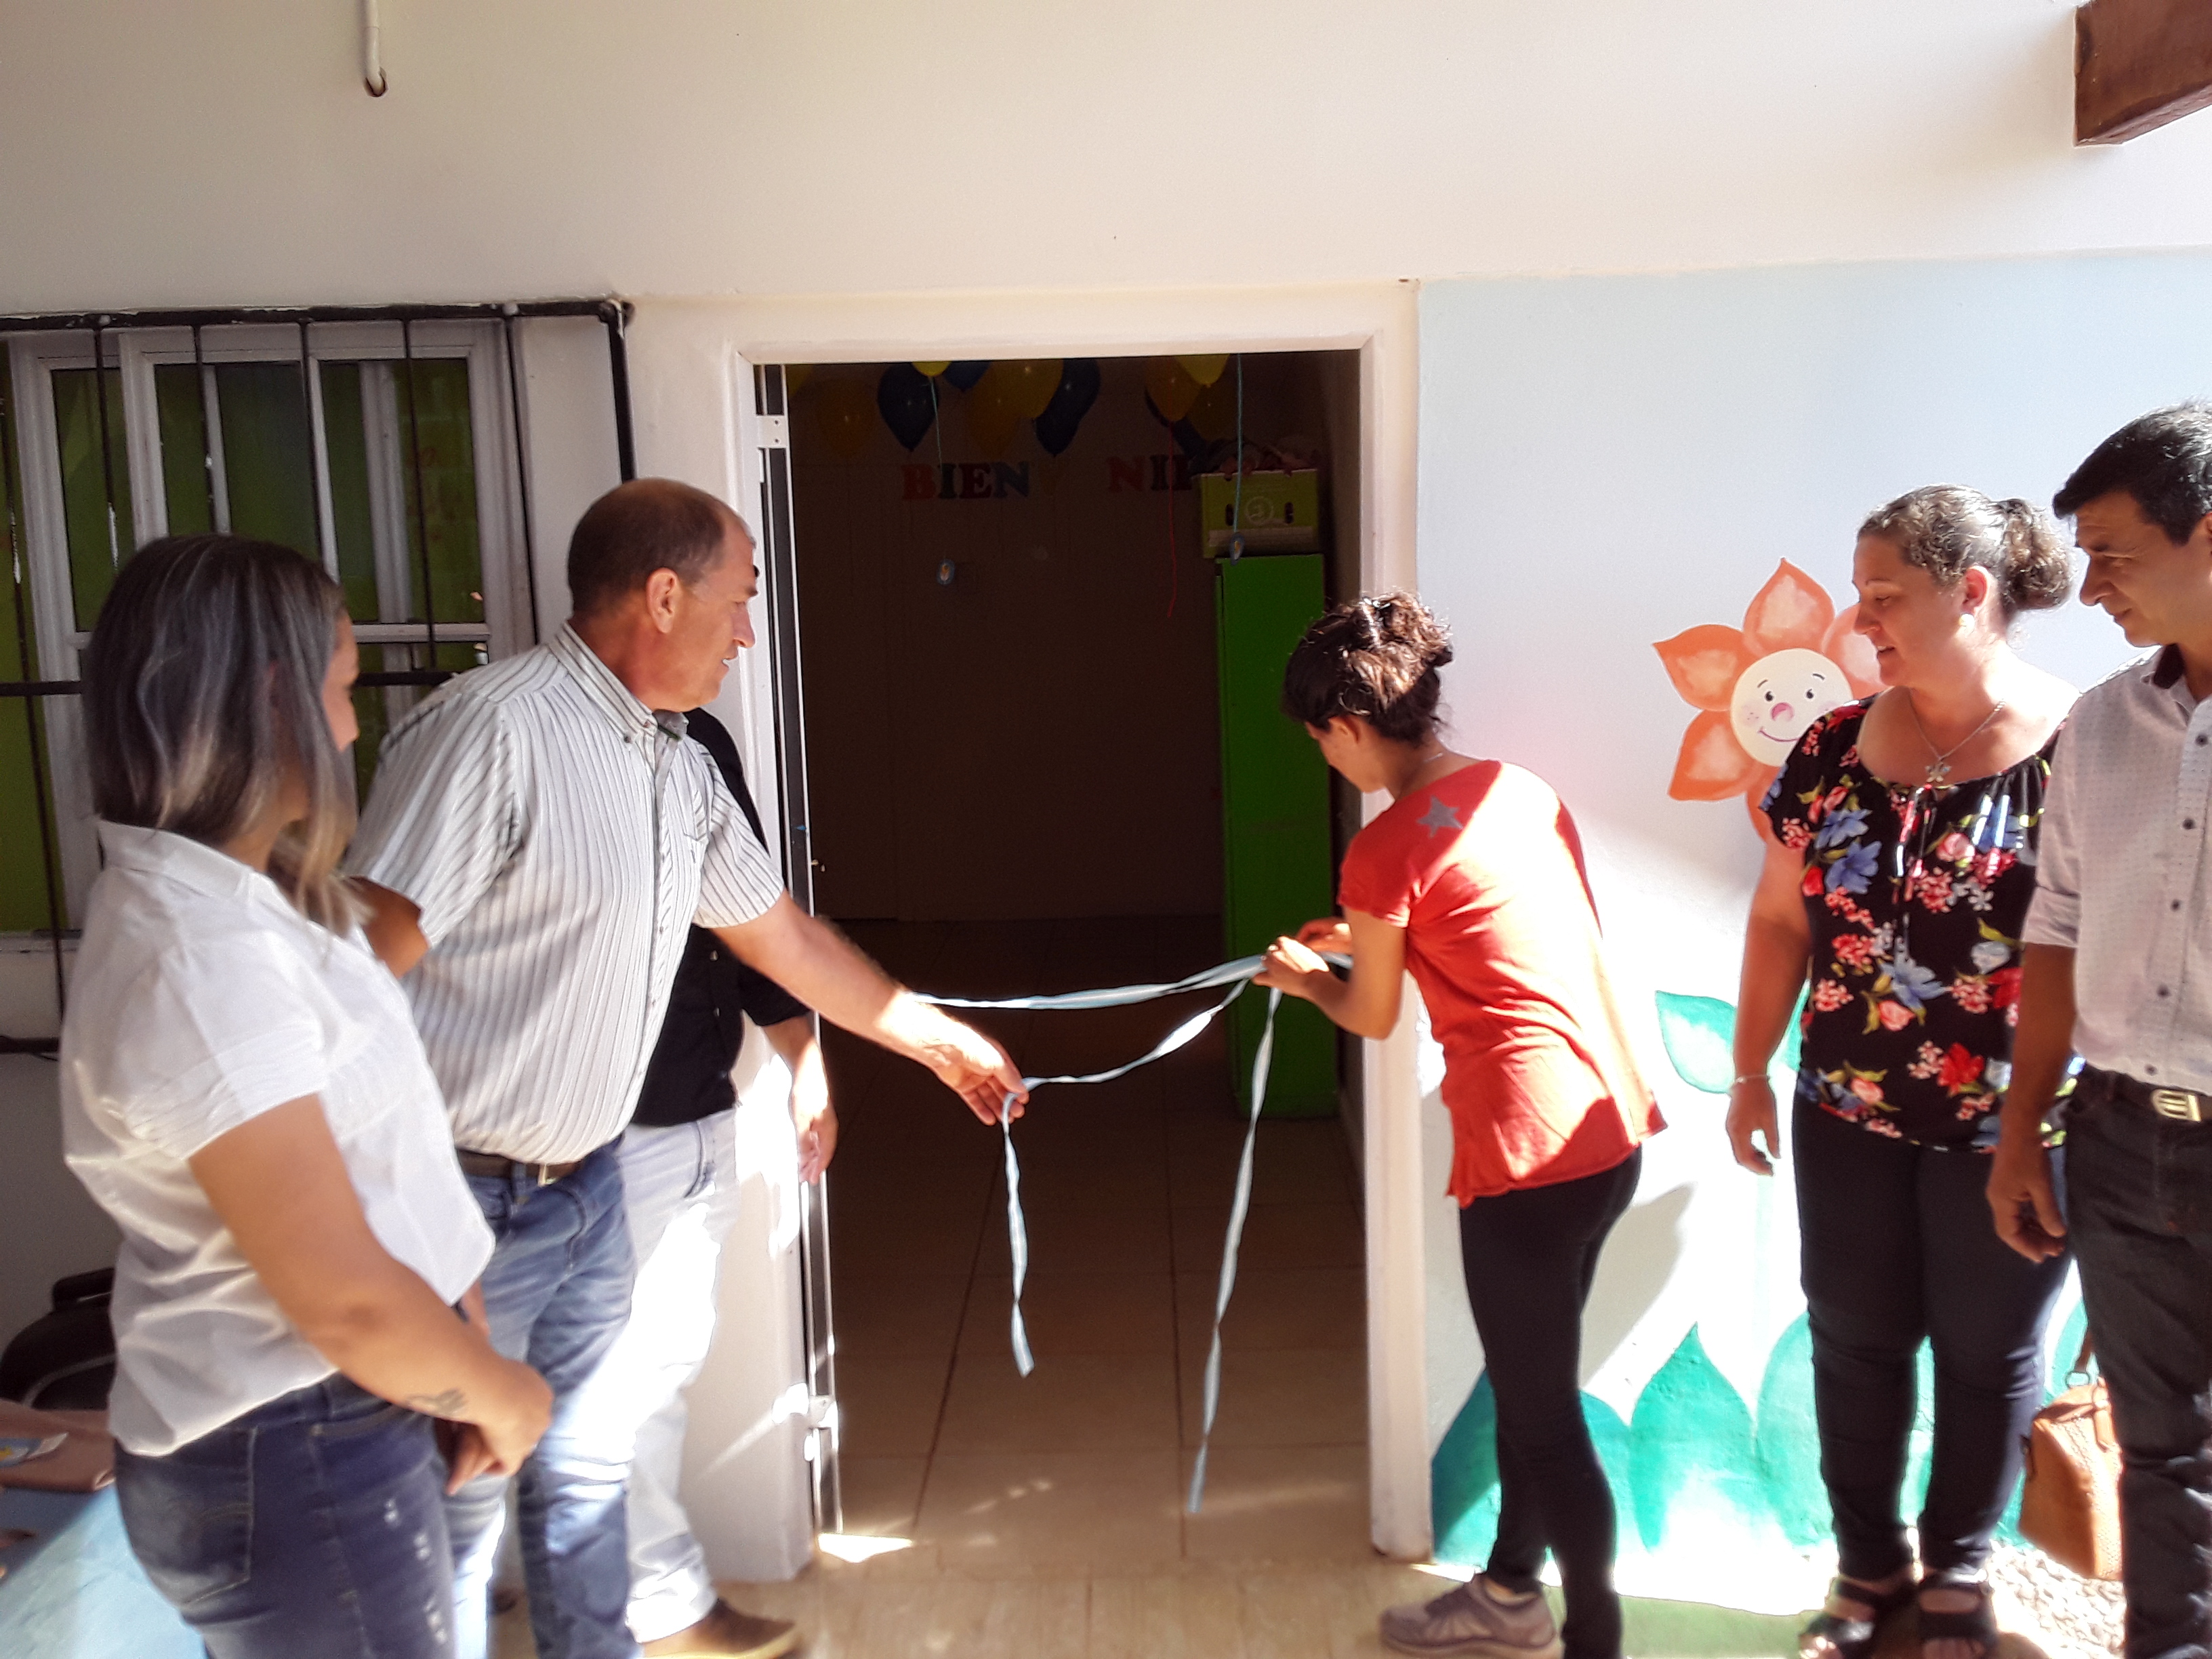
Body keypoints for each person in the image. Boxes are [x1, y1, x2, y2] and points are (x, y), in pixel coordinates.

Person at [347, 478, 1025, 1659]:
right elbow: (358, 975)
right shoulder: (494, 733)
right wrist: (402, 1213)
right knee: (446, 1515)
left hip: (586, 1188)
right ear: (664, 597)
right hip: (464, 1201)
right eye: (740, 599)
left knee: (585, 1475)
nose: (749, 632)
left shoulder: (676, 762)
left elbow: (782, 941)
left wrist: (938, 1040)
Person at [58, 535, 552, 1659]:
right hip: (296, 1449)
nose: (353, 726)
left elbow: (381, 1160)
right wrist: (499, 1392)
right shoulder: (201, 962)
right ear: (272, 699)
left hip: (339, 1422)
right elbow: (345, 1301)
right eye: (342, 688)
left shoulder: (247, 900)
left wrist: (455, 1343)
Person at [1258, 593, 1663, 1659]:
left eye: (1319, 738)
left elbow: (1371, 1014)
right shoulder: (1520, 790)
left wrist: (1308, 980)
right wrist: (1370, 934)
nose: (1324, 757)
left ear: (1349, 726)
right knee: (1535, 1394)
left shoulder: (1381, 853)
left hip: (1524, 1153)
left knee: (1542, 1419)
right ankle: (1510, 1592)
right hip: (1607, 1126)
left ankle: (1593, 1640)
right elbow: (1506, 924)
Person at [1725, 487, 2077, 1659]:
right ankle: (1869, 1567)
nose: (1862, 619)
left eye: (1885, 596)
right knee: (1855, 1342)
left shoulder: (2082, 752)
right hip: (1846, 1112)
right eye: (1860, 594)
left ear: (1970, 592)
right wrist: (1747, 1071)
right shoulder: (1831, 747)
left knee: (1990, 1357)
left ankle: (1962, 1569)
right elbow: (1780, 920)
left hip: (2015, 1130)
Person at [1988, 403, 2212, 1659]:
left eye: (2114, 555)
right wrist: (2027, 1129)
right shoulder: (2104, 724)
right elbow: (2059, 928)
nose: (2090, 589)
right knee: (2162, 1453)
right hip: (2122, 1141)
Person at [568, 705, 831, 1659]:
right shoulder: (538, 739)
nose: (747, 637)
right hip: (593, 1139)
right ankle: (660, 1606)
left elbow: (756, 928)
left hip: (699, 1109)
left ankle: (644, 1601)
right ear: (661, 618)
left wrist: (805, 1064)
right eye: (732, 621)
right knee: (608, 1385)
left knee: (658, 1370)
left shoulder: (701, 742)